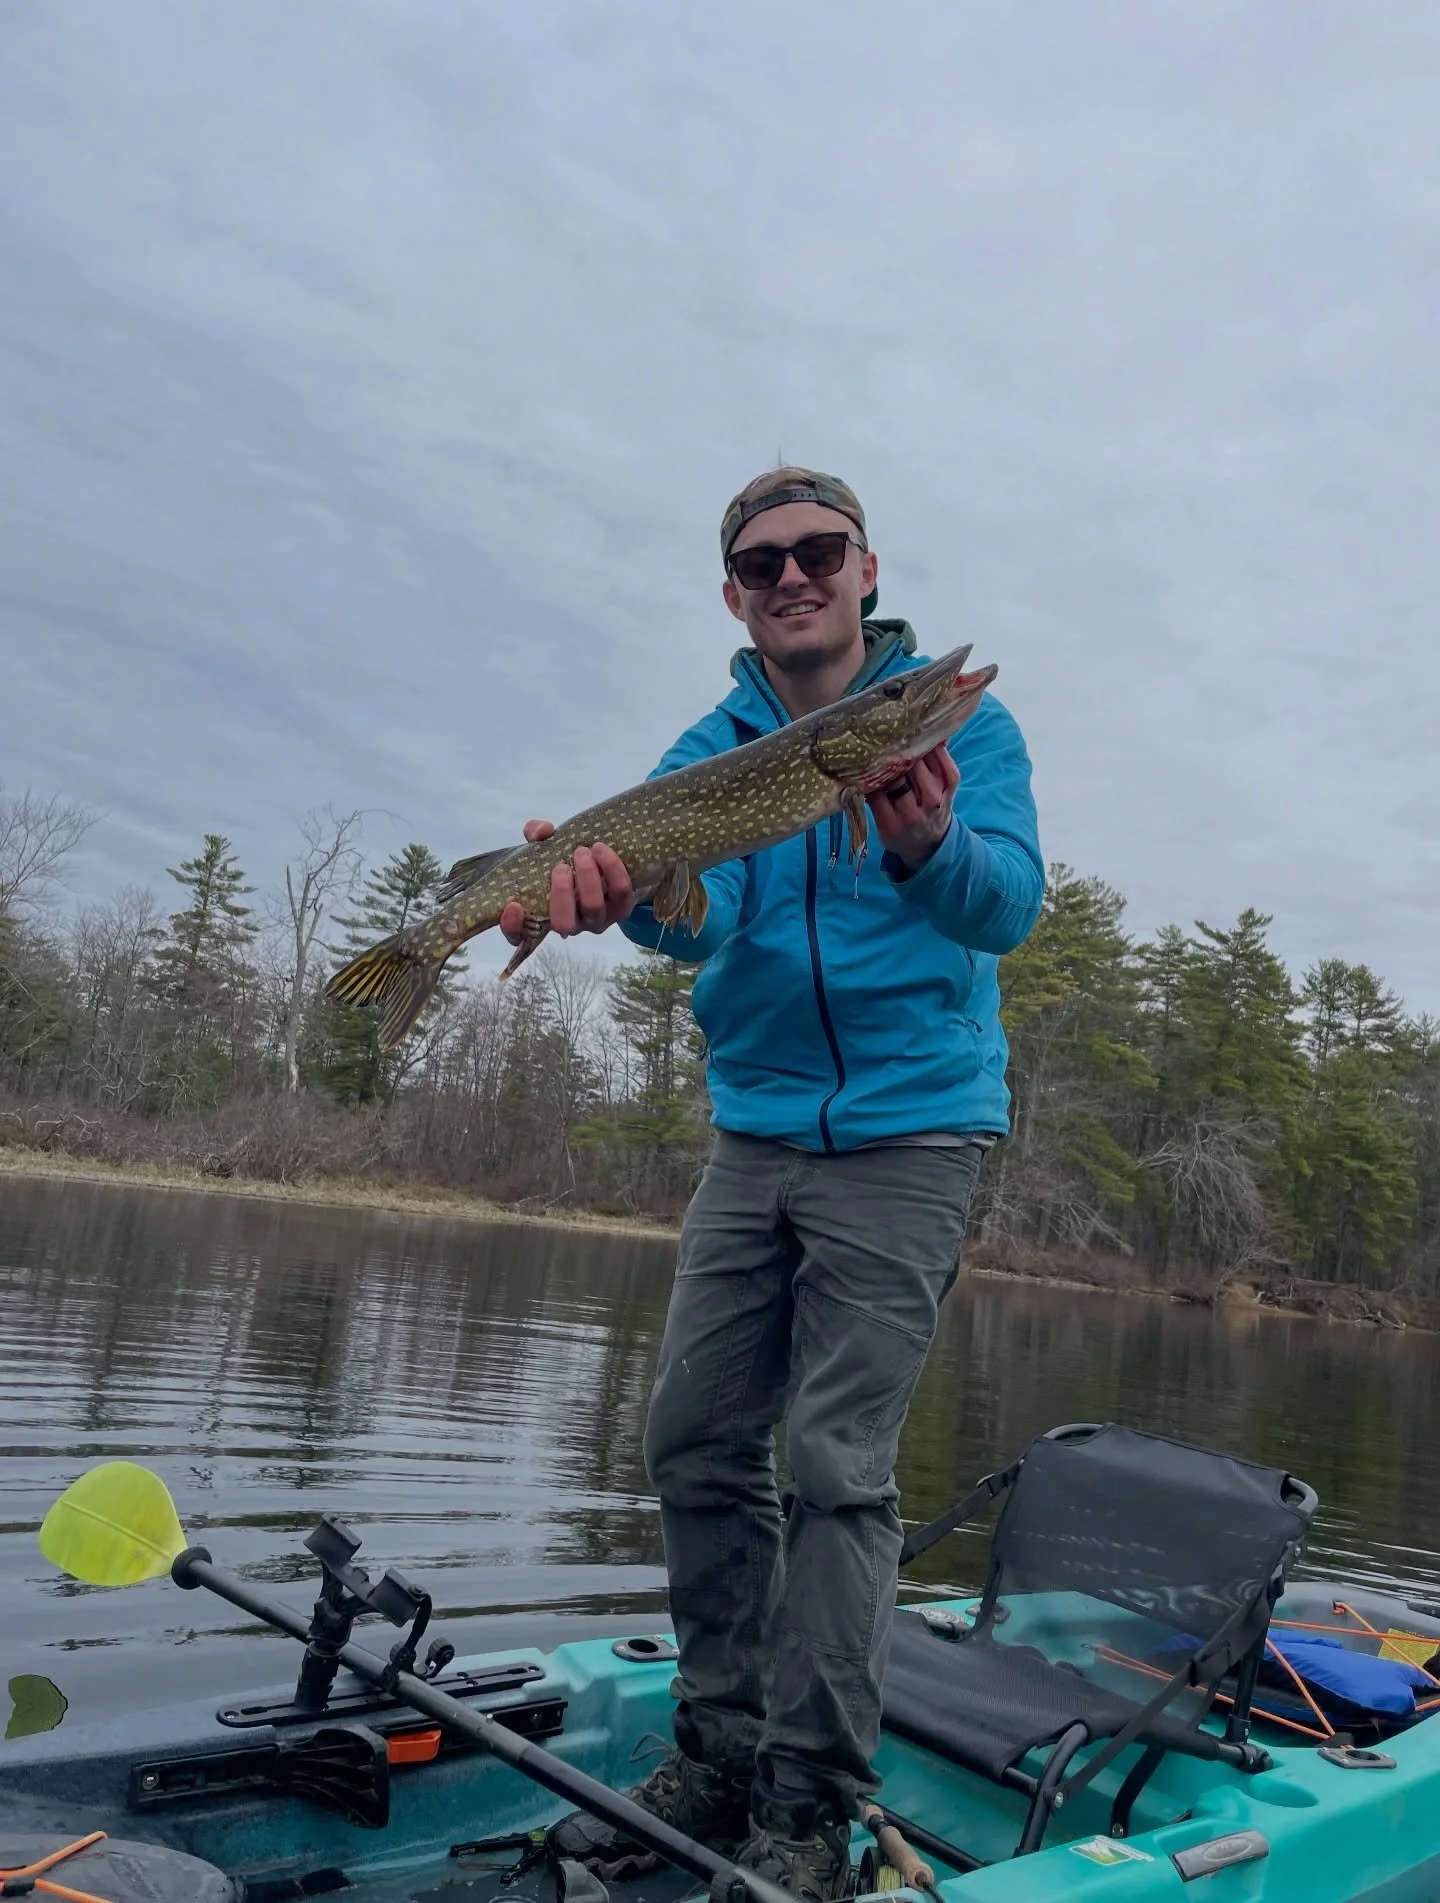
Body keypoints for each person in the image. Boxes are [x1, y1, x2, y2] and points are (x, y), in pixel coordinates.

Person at [505, 468, 1044, 1900]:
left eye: (818, 550)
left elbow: (1007, 906)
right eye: (762, 562)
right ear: (735, 595)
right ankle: (721, 1748)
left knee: (836, 1465)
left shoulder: (957, 723)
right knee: (693, 1438)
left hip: (912, 1132)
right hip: (756, 1132)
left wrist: (927, 842)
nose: (792, 574)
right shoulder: (711, 751)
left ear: (866, 569)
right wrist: (628, 898)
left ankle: (810, 1801)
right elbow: (706, 915)